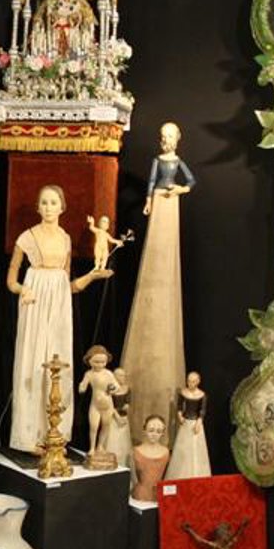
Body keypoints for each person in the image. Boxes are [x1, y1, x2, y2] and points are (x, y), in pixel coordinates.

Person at [6, 185, 110, 452]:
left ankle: (54, 433)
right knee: (33, 362)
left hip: (60, 307)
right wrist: (23, 289)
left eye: (53, 202)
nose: (49, 207)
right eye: (44, 202)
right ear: (38, 207)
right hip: (35, 302)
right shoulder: (27, 237)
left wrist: (92, 276)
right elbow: (11, 279)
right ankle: (29, 437)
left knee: (58, 363)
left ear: (62, 207)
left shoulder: (65, 239)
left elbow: (69, 285)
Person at [121, 121, 196, 438]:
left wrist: (179, 189)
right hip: (160, 201)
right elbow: (152, 181)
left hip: (171, 201)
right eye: (163, 137)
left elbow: (190, 181)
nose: (166, 142)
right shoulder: (158, 161)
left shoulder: (177, 162)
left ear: (177, 139)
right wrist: (150, 200)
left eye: (170, 137)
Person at [166, 370, 211, 479]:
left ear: (198, 381)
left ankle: (196, 473)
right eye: (189, 381)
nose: (190, 384)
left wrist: (199, 422)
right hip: (185, 423)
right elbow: (179, 407)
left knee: (195, 448)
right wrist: (180, 416)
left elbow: (202, 411)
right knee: (183, 449)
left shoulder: (202, 395)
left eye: (193, 381)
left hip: (195, 423)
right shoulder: (183, 392)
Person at [78, 344, 118, 457]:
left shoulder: (108, 373)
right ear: (89, 360)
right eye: (96, 362)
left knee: (105, 426)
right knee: (94, 426)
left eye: (102, 362)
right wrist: (82, 387)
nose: (100, 364)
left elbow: (116, 386)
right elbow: (83, 385)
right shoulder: (89, 374)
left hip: (108, 404)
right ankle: (92, 447)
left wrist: (113, 389)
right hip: (95, 405)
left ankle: (100, 446)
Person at [131, 414, 170, 502]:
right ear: (144, 429)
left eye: (158, 431)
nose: (154, 434)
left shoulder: (166, 452)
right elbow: (132, 478)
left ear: (163, 433)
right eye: (151, 430)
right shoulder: (135, 452)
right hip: (140, 497)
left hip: (159, 497)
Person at [104, 366, 134, 474]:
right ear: (115, 376)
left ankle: (123, 464)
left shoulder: (127, 388)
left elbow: (127, 402)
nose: (123, 377)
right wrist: (116, 416)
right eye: (121, 375)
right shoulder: (110, 389)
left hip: (124, 418)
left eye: (124, 375)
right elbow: (109, 405)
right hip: (113, 418)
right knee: (113, 442)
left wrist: (126, 407)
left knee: (124, 442)